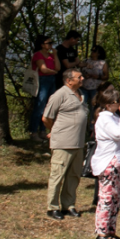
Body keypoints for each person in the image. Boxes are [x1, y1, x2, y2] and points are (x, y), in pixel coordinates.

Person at [43, 68, 89, 220]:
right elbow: (46, 118)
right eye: (79, 77)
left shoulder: (81, 95)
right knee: (58, 175)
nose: (82, 78)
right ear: (69, 80)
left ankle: (68, 205)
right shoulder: (59, 95)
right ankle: (52, 207)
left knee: (73, 176)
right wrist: (55, 131)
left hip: (78, 144)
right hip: (63, 143)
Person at [90, 85, 120, 239]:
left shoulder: (113, 117)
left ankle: (110, 230)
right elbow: (119, 134)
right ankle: (101, 232)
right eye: (117, 101)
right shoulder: (104, 118)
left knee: (116, 198)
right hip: (109, 162)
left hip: (119, 162)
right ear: (108, 104)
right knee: (107, 197)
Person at [29, 35, 58, 140]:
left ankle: (43, 130)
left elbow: (58, 67)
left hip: (51, 80)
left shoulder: (51, 55)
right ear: (42, 45)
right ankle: (33, 131)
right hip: (42, 81)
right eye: (48, 43)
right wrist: (53, 71)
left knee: (48, 106)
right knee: (39, 106)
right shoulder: (38, 55)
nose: (51, 45)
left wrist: (55, 55)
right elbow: (43, 69)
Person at [81, 45, 109, 109]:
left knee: (94, 106)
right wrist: (84, 75)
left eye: (94, 51)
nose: (92, 52)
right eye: (92, 50)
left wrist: (98, 77)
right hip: (84, 87)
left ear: (98, 53)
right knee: (82, 106)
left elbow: (106, 76)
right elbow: (80, 71)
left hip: (95, 88)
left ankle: (93, 118)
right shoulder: (86, 61)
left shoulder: (103, 63)